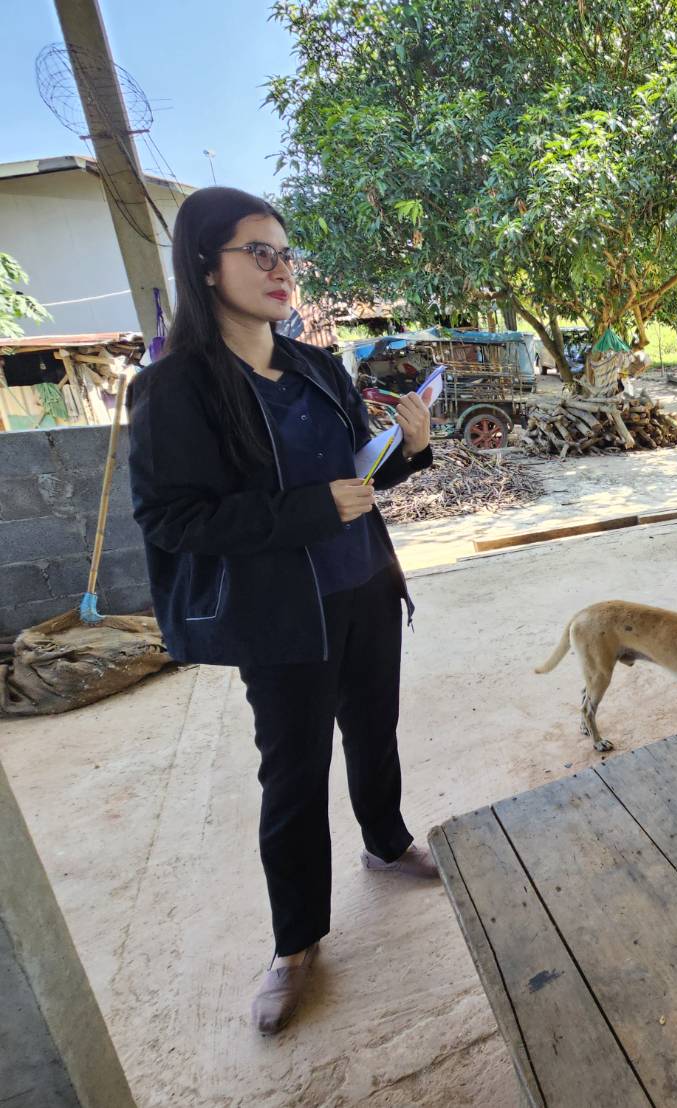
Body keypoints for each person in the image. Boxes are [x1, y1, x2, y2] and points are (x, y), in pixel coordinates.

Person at [128, 187, 437, 1035]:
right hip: (283, 616)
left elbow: (355, 486)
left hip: (367, 586)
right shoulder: (176, 389)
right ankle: (295, 942)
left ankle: (386, 839)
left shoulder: (313, 366)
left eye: (285, 252)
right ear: (205, 264)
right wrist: (307, 512)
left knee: (376, 731)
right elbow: (171, 520)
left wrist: (407, 453)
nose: (279, 268)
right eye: (256, 252)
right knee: (294, 775)